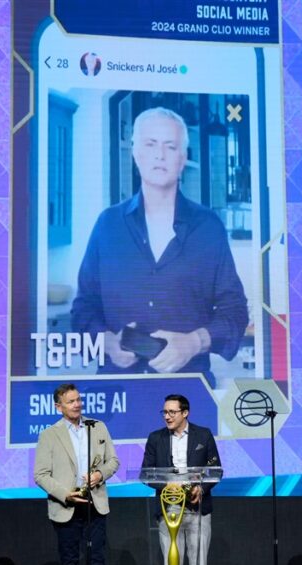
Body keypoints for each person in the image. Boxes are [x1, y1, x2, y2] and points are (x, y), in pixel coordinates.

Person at [71, 107, 248, 387]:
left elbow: (235, 312)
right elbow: (83, 309)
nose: (160, 155)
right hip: (118, 391)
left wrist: (193, 343)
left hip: (189, 392)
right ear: (136, 153)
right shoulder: (107, 225)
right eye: (151, 144)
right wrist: (108, 343)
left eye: (170, 146)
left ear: (183, 158)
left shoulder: (209, 228)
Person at [141, 394, 221, 565]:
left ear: (185, 413)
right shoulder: (155, 438)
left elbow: (215, 470)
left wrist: (201, 488)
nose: (167, 416)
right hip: (169, 508)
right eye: (165, 412)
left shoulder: (203, 435)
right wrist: (167, 485)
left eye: (172, 412)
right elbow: (146, 473)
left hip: (197, 508)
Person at [34, 383, 120, 565]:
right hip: (67, 507)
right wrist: (65, 494)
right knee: (70, 563)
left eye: (78, 400)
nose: (77, 405)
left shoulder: (97, 427)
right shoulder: (49, 435)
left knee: (97, 561)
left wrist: (100, 474)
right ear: (58, 407)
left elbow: (113, 461)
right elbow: (40, 475)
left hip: (95, 504)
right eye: (71, 401)